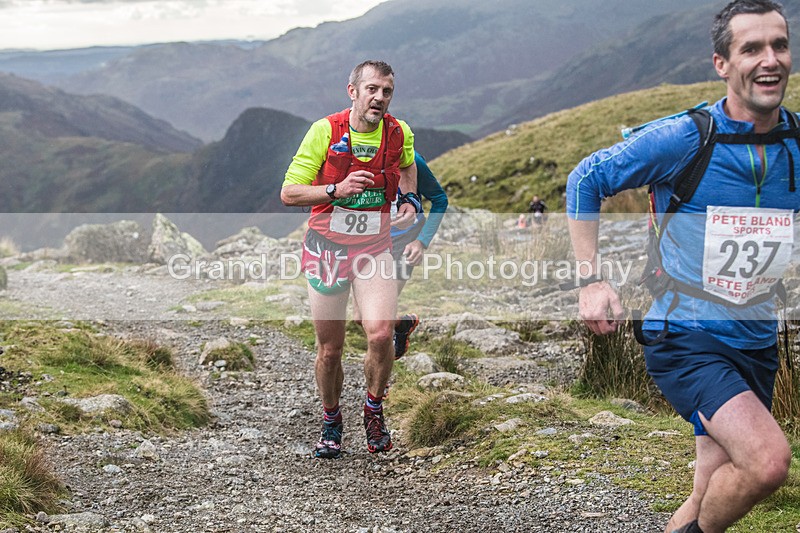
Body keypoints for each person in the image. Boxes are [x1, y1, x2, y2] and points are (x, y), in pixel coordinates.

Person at [566, 2, 795, 532]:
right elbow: (586, 179)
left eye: (779, 46)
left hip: (757, 339)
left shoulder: (795, 144)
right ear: (721, 63)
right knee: (767, 462)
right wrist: (590, 280)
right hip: (686, 333)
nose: (770, 60)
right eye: (752, 48)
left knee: (709, 489)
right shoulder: (687, 138)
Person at [281, 60, 418, 459]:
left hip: (373, 248)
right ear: (353, 91)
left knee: (379, 333)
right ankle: (331, 419)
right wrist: (336, 189)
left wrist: (409, 196)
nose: (379, 98)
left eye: (387, 91)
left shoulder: (398, 132)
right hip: (327, 250)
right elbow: (290, 193)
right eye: (372, 89)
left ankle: (373, 410)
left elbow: (408, 162)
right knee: (330, 350)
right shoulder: (325, 131)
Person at [385, 151, 449, 360]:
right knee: (364, 316)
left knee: (379, 315)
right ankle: (402, 325)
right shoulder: (358, 155)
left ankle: (379, 381)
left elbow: (439, 200)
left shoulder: (413, 159)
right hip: (371, 241)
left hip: (405, 241)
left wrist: (421, 241)